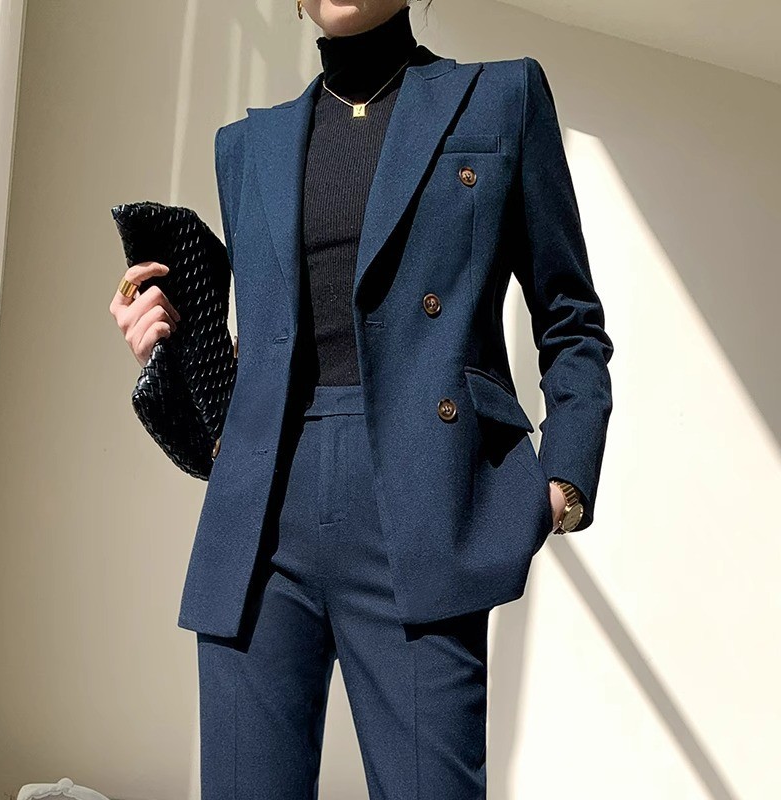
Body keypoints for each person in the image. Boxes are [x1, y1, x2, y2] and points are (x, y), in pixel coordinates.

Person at [109, 1, 614, 797]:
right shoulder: (246, 147)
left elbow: (570, 317)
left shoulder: (501, 97)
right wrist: (166, 344)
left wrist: (561, 485)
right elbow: (267, 356)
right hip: (260, 524)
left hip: (425, 502)